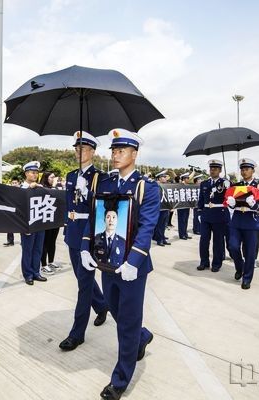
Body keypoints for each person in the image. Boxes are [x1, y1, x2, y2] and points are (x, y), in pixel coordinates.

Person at [81, 128, 158, 400]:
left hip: (132, 269)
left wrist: (134, 261)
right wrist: (85, 247)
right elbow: (95, 218)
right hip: (108, 263)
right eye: (113, 150)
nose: (115, 155)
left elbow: (147, 227)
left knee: (127, 322)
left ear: (134, 155)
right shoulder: (106, 184)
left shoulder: (146, 187)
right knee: (115, 310)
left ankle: (120, 380)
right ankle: (142, 336)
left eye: (121, 151)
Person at [59, 131, 108, 352]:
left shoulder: (99, 177)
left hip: (89, 234)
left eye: (84, 149)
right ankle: (102, 305)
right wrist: (66, 228)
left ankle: (77, 334)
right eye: (77, 149)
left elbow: (101, 208)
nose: (79, 152)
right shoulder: (70, 176)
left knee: (83, 286)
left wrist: (86, 191)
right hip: (73, 233)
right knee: (81, 278)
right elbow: (68, 205)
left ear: (92, 152)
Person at [226, 158, 259, 290]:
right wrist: (231, 204)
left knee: (250, 252)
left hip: (252, 222)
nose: (244, 172)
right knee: (232, 247)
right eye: (242, 169)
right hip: (237, 220)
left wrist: (254, 205)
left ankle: (247, 278)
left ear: (253, 170)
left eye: (247, 169)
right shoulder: (236, 186)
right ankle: (240, 267)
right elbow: (230, 203)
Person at [197, 159, 230, 272]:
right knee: (204, 240)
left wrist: (228, 186)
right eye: (211, 168)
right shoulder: (204, 183)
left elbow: (229, 197)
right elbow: (201, 199)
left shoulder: (225, 183)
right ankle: (204, 262)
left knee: (218, 241)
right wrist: (199, 212)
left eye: (215, 169)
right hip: (206, 214)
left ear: (220, 170)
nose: (212, 171)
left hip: (219, 214)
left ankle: (216, 263)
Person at [20, 161, 47, 285]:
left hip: (39, 223)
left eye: (36, 173)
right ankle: (28, 275)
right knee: (28, 250)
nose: (35, 175)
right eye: (32, 172)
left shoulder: (40, 188)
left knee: (38, 249)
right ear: (26, 173)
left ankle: (36, 272)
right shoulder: (22, 188)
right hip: (27, 224)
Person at [40, 171, 60, 275]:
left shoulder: (55, 189)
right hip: (45, 220)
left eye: (54, 177)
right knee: (45, 243)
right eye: (51, 177)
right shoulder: (41, 188)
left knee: (52, 242)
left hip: (54, 220)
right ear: (46, 178)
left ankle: (51, 261)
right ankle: (44, 265)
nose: (53, 179)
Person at [153, 170, 171, 246]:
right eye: (163, 177)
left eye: (165, 177)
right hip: (159, 208)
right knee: (159, 225)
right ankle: (159, 240)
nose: (165, 178)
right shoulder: (156, 186)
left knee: (164, 225)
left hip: (166, 207)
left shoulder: (167, 186)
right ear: (159, 178)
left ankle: (163, 238)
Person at [176, 172, 193, 240]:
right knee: (181, 220)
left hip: (187, 205)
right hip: (181, 206)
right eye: (187, 178)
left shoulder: (188, 186)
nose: (188, 179)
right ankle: (182, 234)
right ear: (183, 179)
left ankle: (185, 233)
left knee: (186, 220)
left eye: (188, 178)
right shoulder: (179, 186)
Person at [3, 179, 20, 247]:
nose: (14, 184)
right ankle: (10, 241)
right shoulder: (9, 192)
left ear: (18, 183)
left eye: (15, 182)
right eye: (13, 183)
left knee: (22, 226)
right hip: (11, 211)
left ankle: (23, 240)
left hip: (20, 211)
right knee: (9, 226)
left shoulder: (22, 191)